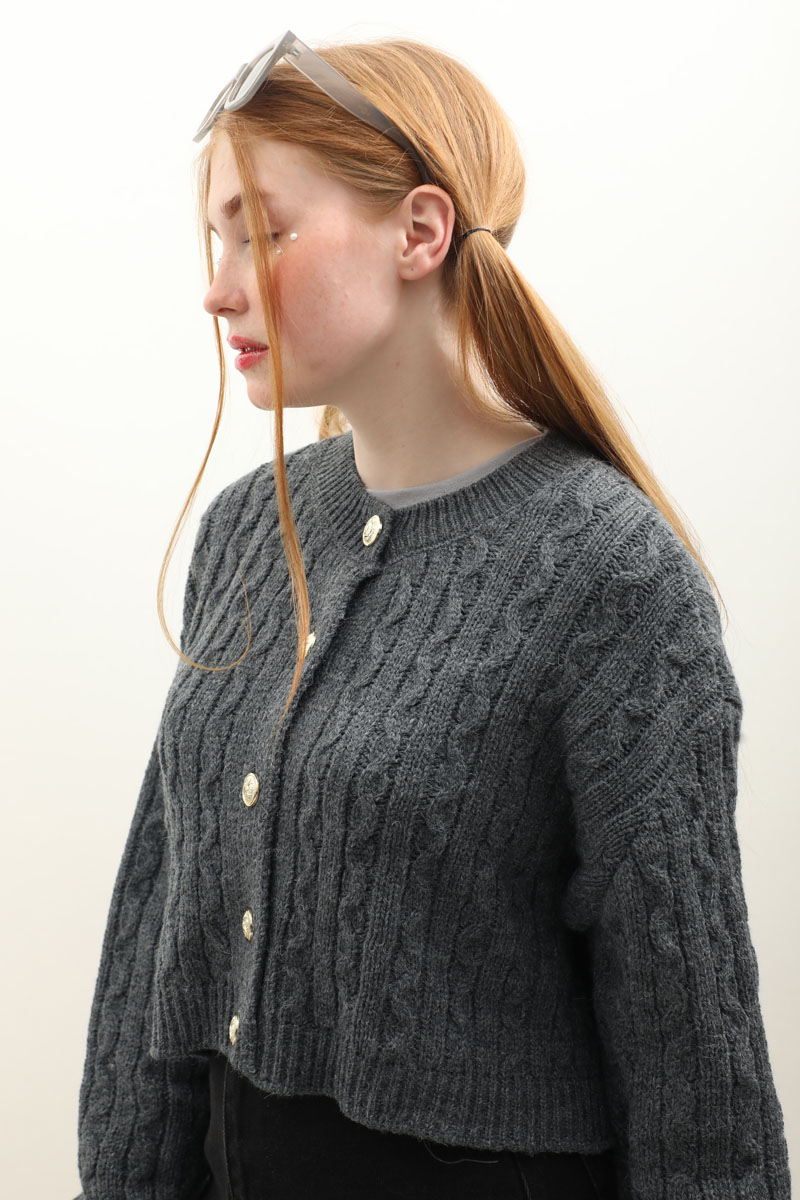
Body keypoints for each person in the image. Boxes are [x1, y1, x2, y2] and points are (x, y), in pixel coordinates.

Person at [73, 31, 792, 1200]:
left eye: (263, 232)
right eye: (215, 239)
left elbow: (688, 1047)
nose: (218, 286)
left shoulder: (608, 577)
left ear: (419, 231)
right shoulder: (250, 528)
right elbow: (157, 924)